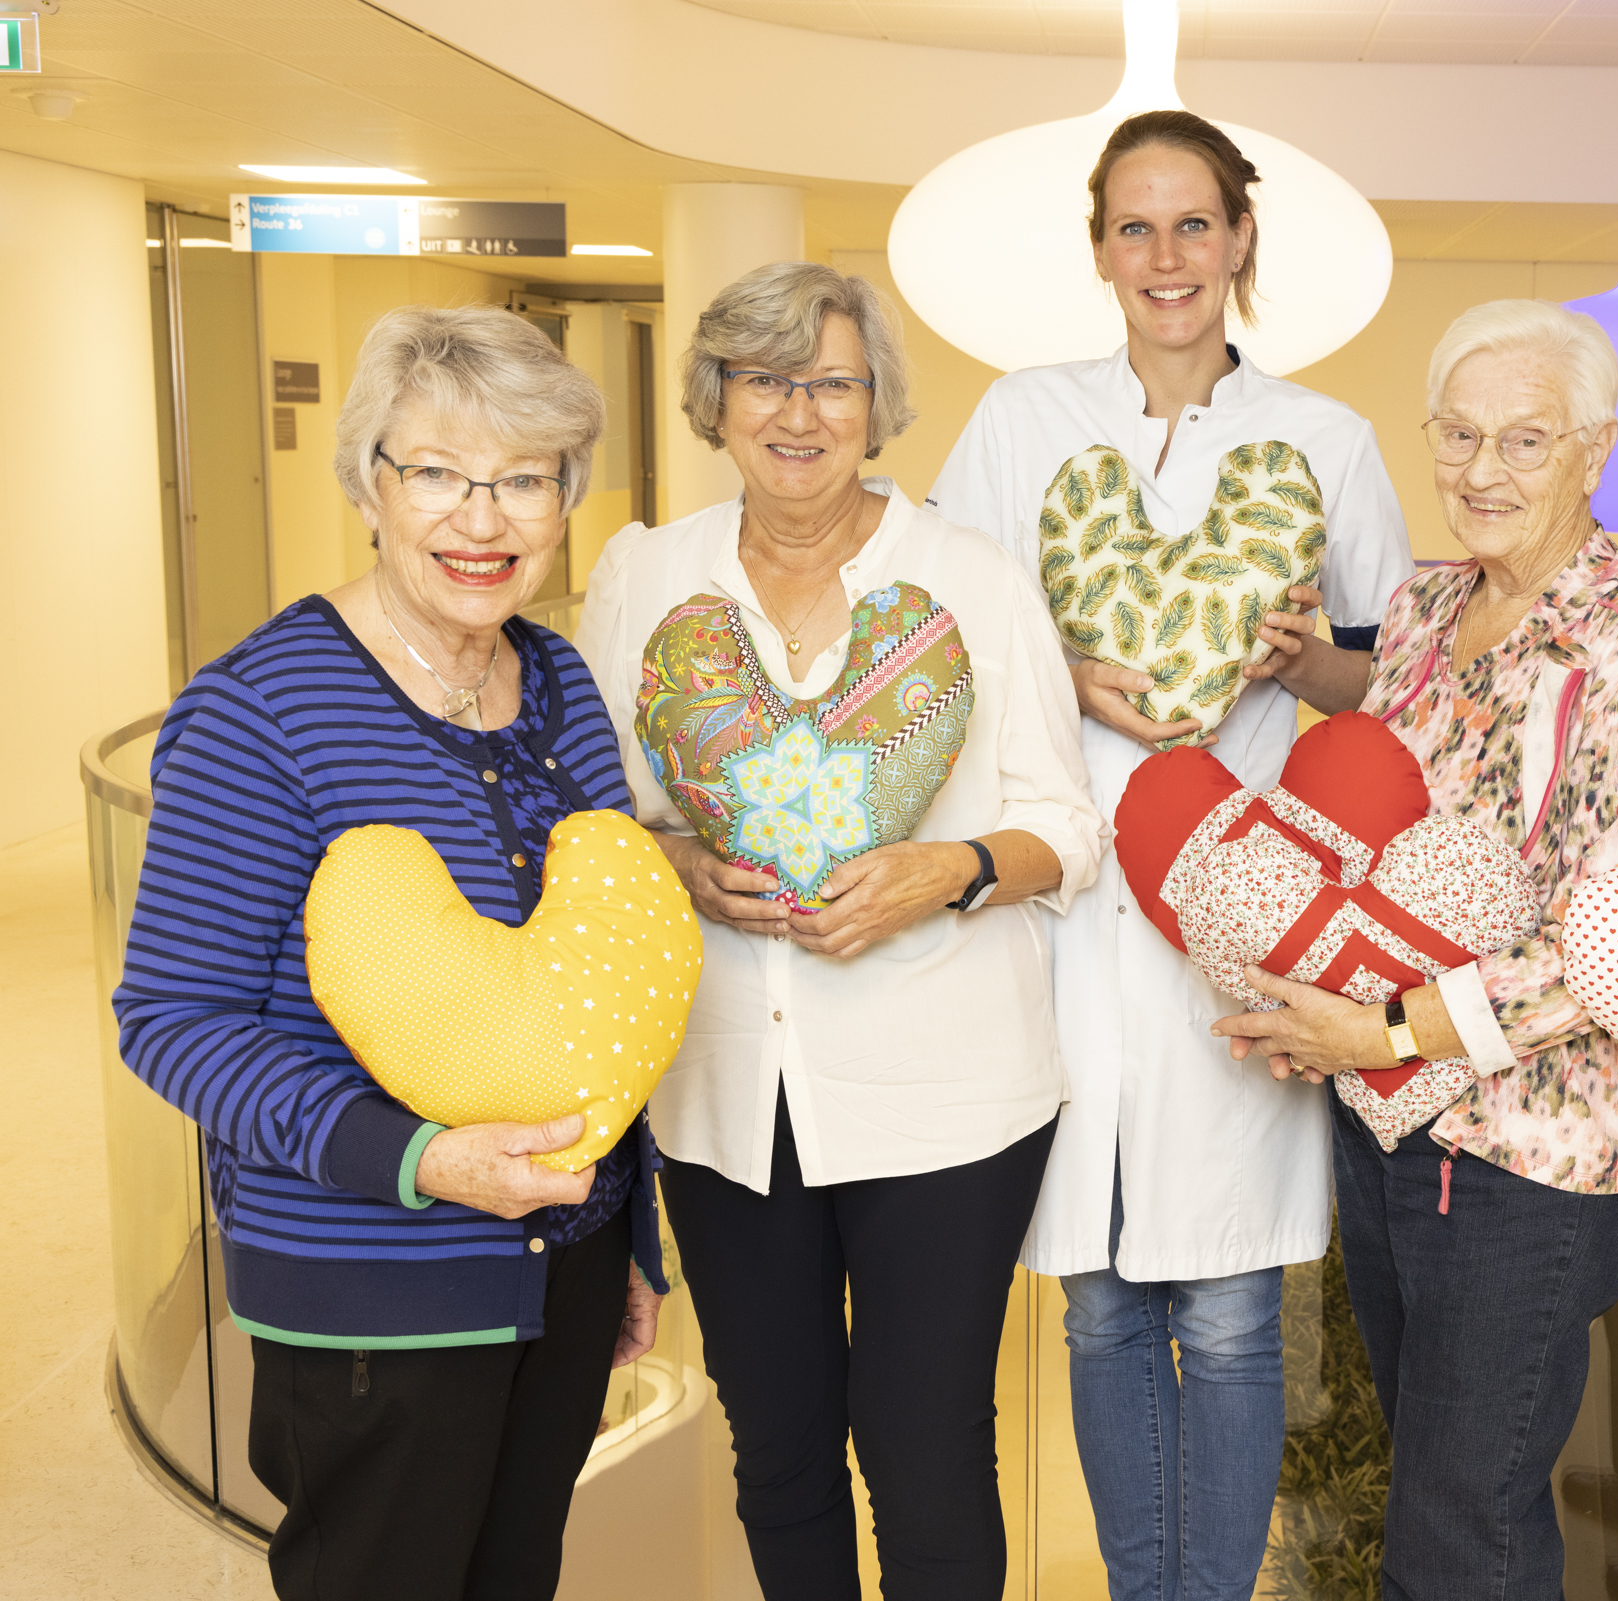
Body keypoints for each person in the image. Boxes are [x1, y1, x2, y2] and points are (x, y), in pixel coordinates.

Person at [925, 109, 1415, 1601]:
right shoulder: (1022, 420)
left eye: (1192, 223)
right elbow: (942, 641)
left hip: (1239, 902)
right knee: (1095, 1304)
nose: (1166, 257)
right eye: (1134, 228)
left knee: (1229, 1308)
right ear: (1097, 252)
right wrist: (1064, 674)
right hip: (1071, 907)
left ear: (1242, 237)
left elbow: (1388, 675)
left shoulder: (1328, 441)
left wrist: (1298, 662)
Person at [114, 304, 665, 1601]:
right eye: (439, 473)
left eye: (525, 479)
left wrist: (633, 1239)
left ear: (565, 498)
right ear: (371, 480)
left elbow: (600, 981)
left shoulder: (563, 682)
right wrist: (420, 1158)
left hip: (563, 1274)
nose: (484, 519)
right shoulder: (259, 711)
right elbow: (172, 1018)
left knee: (516, 1574)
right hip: (374, 1283)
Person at [575, 260, 1104, 1600]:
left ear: (876, 405)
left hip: (949, 1099)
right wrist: (677, 858)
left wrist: (951, 867)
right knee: (781, 1450)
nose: (797, 411)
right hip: (724, 1097)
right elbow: (594, 825)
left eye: (831, 381)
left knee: (925, 1452)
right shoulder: (646, 579)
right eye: (766, 378)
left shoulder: (972, 582)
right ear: (717, 398)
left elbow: (1071, 830)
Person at [1212, 299, 1618, 1599]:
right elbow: (1366, 833)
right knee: (1438, 1496)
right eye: (1457, 433)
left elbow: (1616, 938)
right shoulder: (1427, 610)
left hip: (1531, 1152)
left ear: (1595, 450)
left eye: (1525, 438)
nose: (1481, 470)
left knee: (1463, 1530)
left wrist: (1381, 1028)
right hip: (1388, 1124)